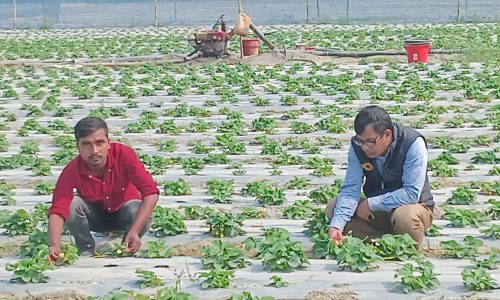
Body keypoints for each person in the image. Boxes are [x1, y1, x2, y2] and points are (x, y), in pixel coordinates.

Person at [47, 117, 159, 260]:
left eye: (99, 143)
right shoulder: (72, 169)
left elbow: (151, 192)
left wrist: (135, 230)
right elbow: (58, 209)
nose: (94, 151)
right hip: (94, 218)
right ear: (78, 147)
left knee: (138, 207)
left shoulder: (124, 155)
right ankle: (86, 248)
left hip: (124, 213)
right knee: (71, 204)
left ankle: (127, 243)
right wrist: (53, 244)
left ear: (108, 143)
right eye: (86, 144)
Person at [326, 105, 434, 248]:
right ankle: (388, 242)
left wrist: (372, 203)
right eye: (361, 141)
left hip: (412, 206)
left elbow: (411, 193)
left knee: (405, 217)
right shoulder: (358, 146)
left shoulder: (412, 143)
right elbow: (351, 188)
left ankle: (403, 243)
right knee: (333, 208)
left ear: (387, 135)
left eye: (370, 142)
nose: (364, 147)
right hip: (376, 213)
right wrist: (336, 226)